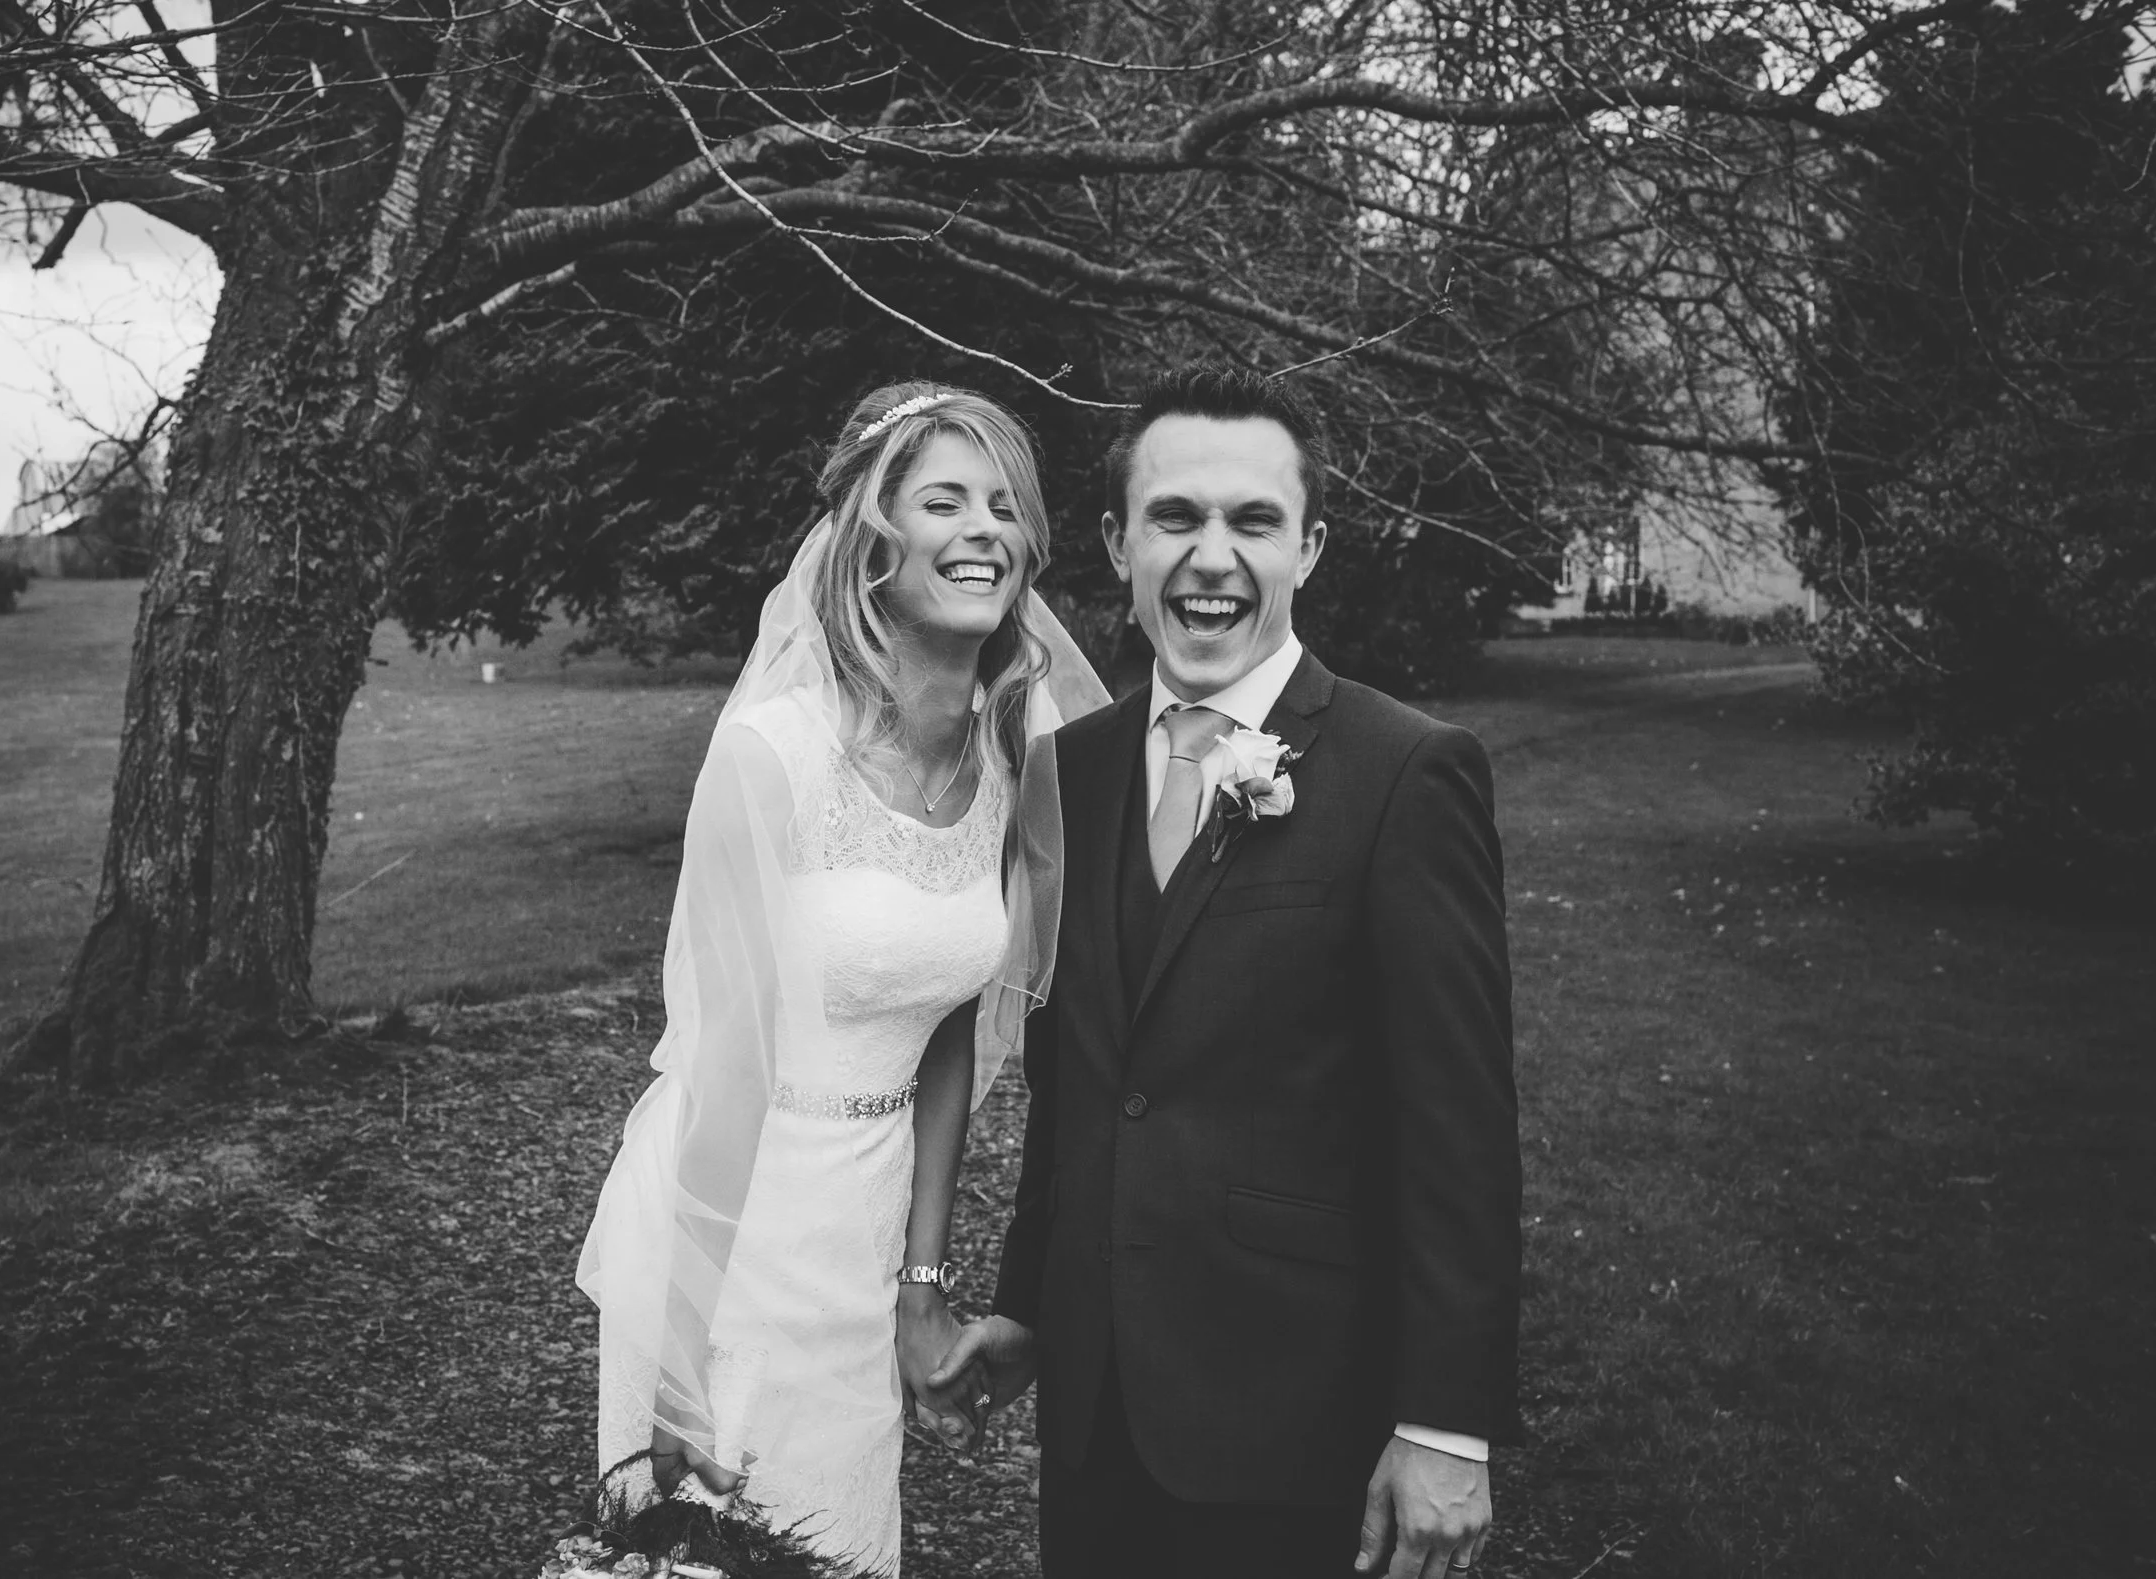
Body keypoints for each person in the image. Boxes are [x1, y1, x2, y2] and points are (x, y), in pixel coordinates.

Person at [934, 367, 1522, 1578]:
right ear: (1115, 543)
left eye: (1253, 522)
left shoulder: (1406, 772)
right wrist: (1030, 1303)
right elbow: (1077, 1071)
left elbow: (1458, 1126)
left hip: (1297, 1420)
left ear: (1308, 546)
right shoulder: (1070, 771)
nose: (1213, 557)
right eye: (1175, 517)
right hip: (1095, 1425)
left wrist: (1446, 1421)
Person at [575, 382, 1109, 1574]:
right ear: (875, 539)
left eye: (1006, 506)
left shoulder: (1007, 762)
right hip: (732, 1228)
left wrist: (919, 1283)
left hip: (862, 1230)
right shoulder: (772, 755)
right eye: (945, 500)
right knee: (705, 1548)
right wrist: (678, 1360)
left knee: (849, 1549)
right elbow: (724, 1066)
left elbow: (953, 1036)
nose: (988, 528)